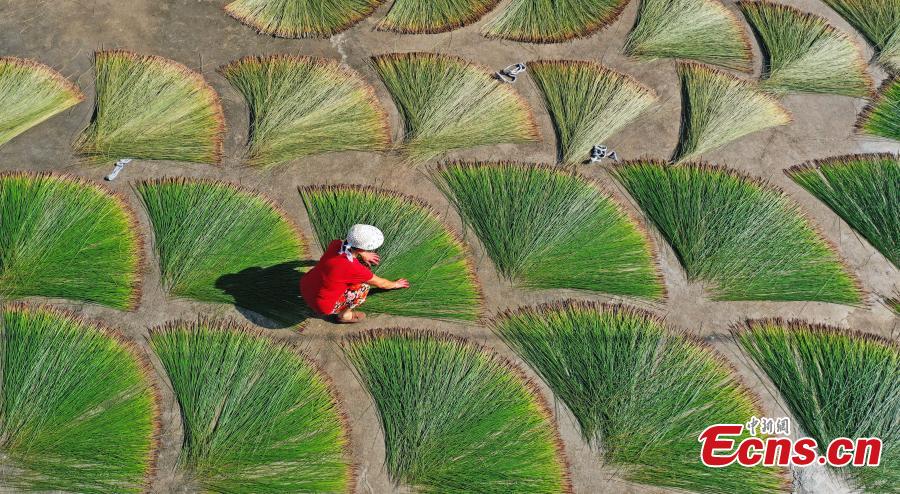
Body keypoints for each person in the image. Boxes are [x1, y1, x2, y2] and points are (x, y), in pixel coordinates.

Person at [300, 224, 409, 323]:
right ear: (361, 248)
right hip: (322, 305)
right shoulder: (355, 269)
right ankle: (344, 315)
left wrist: (363, 253)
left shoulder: (336, 244)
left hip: (306, 285)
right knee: (363, 288)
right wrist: (396, 284)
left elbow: (346, 249)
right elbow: (382, 284)